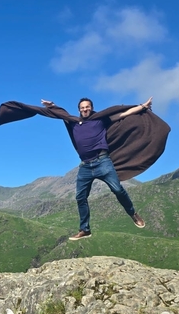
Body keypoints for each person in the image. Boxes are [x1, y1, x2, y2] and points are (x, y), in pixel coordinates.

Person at [40, 97, 152, 240]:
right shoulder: (74, 123)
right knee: (80, 197)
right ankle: (85, 229)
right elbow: (61, 114)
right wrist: (53, 106)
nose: (85, 109)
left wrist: (143, 106)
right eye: (82, 107)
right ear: (79, 110)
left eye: (87, 107)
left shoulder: (100, 120)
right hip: (85, 166)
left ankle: (132, 214)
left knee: (117, 189)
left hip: (103, 162)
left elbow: (123, 114)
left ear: (91, 108)